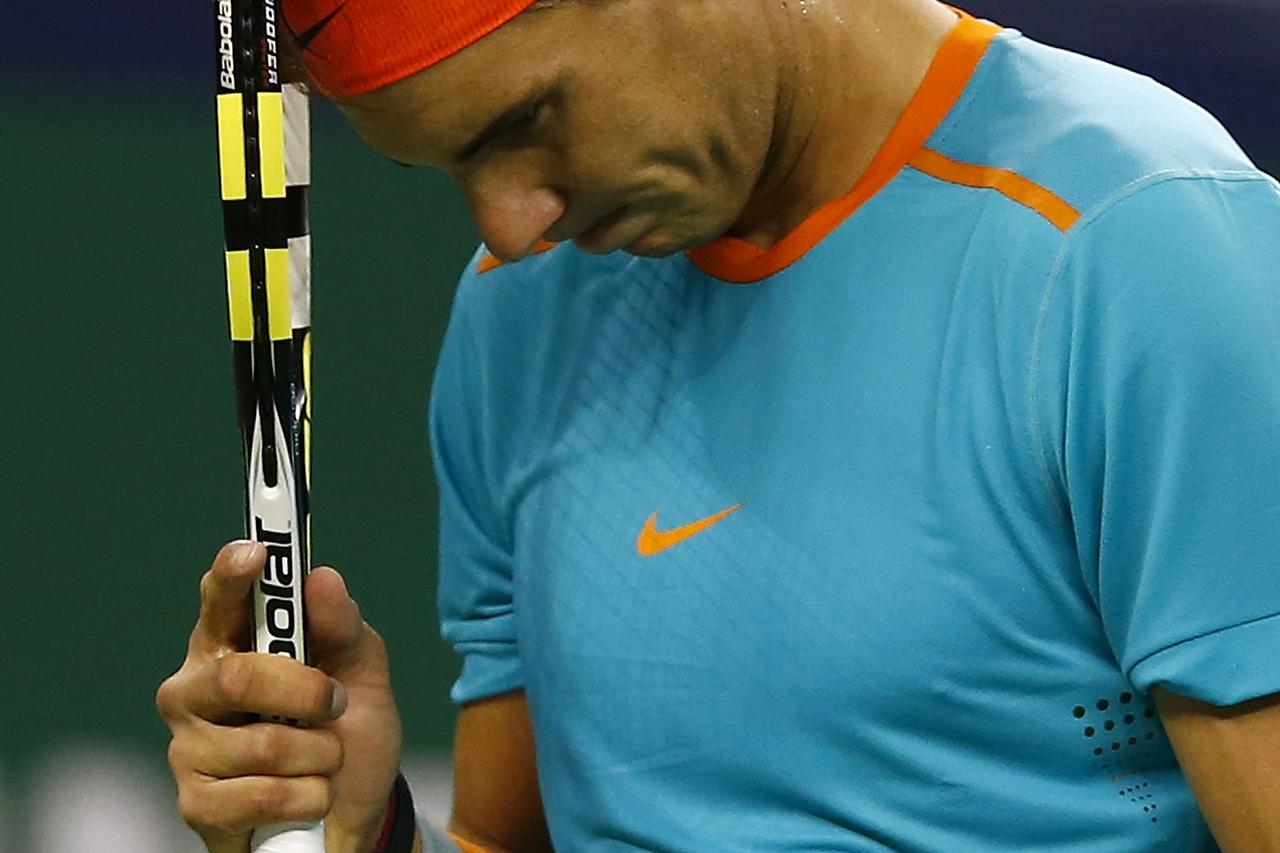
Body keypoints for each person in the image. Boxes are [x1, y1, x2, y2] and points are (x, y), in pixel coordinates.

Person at [156, 0, 1280, 850]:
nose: (509, 222)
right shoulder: (518, 315)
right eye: (456, 166)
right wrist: (369, 833)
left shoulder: (1135, 247)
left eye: (529, 121)